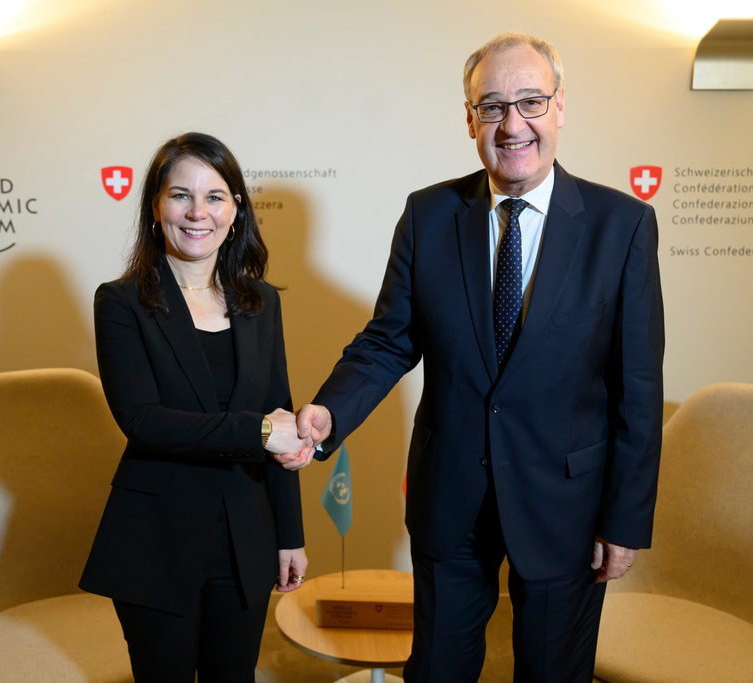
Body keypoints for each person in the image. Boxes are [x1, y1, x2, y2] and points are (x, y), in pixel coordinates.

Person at [276, 32, 664, 683]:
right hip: (451, 493)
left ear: (560, 107)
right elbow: (388, 339)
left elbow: (638, 386)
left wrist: (625, 519)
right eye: (492, 106)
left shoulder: (621, 225)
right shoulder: (428, 215)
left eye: (531, 102)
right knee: (437, 669)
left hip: (564, 504)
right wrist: (327, 414)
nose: (512, 124)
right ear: (470, 119)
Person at [80, 132, 314, 683]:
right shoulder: (121, 302)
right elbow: (143, 420)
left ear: (236, 209)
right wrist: (258, 432)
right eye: (180, 195)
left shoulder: (262, 302)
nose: (197, 212)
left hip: (245, 541)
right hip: (155, 540)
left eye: (215, 197)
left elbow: (278, 416)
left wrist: (290, 533)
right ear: (156, 208)